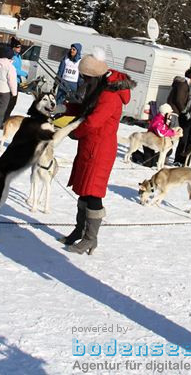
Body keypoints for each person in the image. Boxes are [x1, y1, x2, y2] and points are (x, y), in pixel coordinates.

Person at [58, 54, 135, 255]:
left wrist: (74, 132)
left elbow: (92, 121)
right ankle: (79, 230)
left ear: (94, 76)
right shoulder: (100, 88)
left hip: (99, 151)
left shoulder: (110, 96)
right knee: (84, 190)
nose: (83, 81)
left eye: (85, 77)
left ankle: (90, 238)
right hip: (90, 147)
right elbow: (85, 109)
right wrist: (66, 108)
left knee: (93, 194)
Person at [0, 47, 17, 130]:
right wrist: (14, 93)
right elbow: (11, 81)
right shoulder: (10, 67)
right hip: (5, 90)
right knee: (1, 109)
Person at [4, 38, 29, 121]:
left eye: (20, 47)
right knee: (10, 102)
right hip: (12, 81)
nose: (20, 49)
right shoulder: (13, 56)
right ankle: (4, 118)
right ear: (14, 47)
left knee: (13, 102)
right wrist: (24, 74)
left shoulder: (19, 56)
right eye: (18, 47)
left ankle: (6, 117)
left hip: (17, 81)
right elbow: (13, 69)